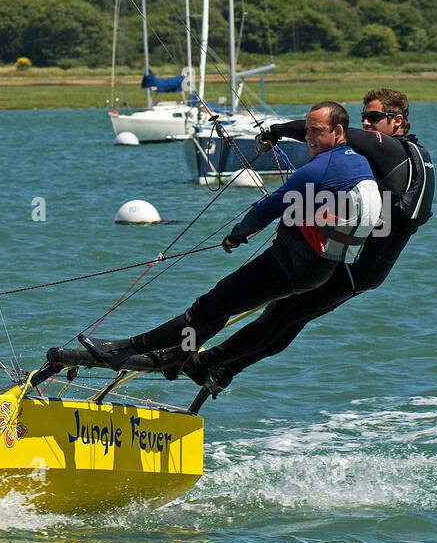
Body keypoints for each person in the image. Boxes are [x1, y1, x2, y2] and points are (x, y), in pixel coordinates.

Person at [117, 88, 435, 404]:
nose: (366, 125)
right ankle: (222, 368)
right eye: (364, 117)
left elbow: (332, 133)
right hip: (366, 271)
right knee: (287, 321)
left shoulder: (392, 150)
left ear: (398, 121)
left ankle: (200, 362)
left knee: (278, 317)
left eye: (374, 118)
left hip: (355, 267)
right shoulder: (418, 157)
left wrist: (277, 131)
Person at [47, 101, 382, 373]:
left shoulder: (320, 168)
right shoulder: (354, 161)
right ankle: (177, 358)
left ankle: (124, 349)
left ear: (338, 131)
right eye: (306, 130)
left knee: (208, 306)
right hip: (316, 269)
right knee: (222, 307)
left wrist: (237, 235)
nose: (308, 137)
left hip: (293, 264)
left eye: (316, 131)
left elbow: (268, 207)